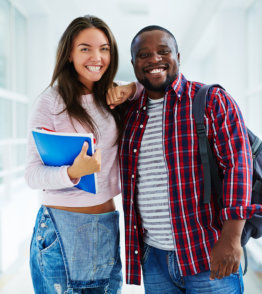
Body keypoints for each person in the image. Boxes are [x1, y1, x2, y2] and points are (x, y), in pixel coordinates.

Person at [107, 25, 262, 293]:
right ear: (133, 64)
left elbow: (239, 167)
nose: (154, 59)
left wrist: (232, 239)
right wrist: (126, 88)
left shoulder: (212, 100)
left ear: (179, 55)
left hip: (208, 250)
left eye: (163, 51)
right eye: (144, 55)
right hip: (153, 257)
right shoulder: (129, 114)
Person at [25, 15, 136, 294]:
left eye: (104, 48)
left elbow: (153, 89)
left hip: (108, 224)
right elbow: (32, 174)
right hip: (64, 228)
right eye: (85, 48)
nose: (96, 56)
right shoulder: (51, 102)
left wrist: (132, 87)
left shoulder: (110, 96)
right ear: (69, 55)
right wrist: (73, 172)